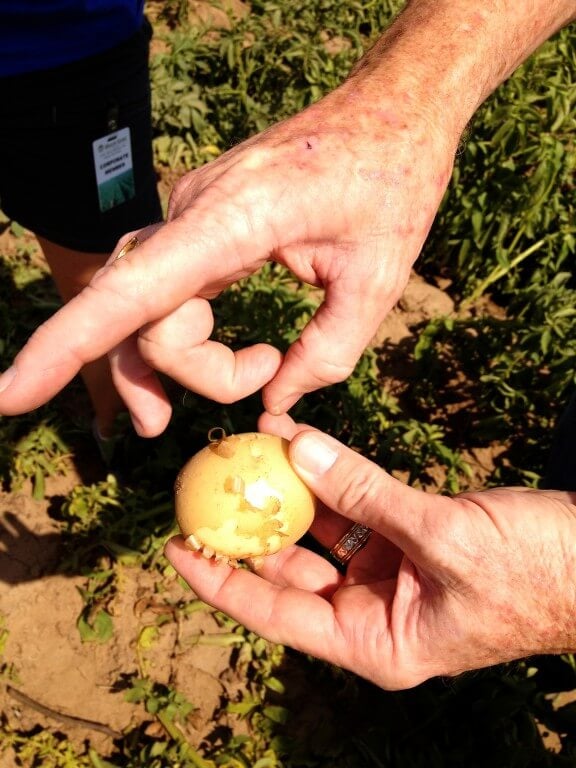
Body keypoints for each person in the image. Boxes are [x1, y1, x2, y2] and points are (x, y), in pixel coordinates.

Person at [0, 0, 574, 685]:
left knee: (99, 252)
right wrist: (399, 113)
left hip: (60, 45)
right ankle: (118, 432)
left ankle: (120, 437)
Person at [0, 1, 163, 453]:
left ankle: (116, 432)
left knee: (106, 280)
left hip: (63, 56)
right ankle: (122, 438)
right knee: (106, 286)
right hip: (61, 51)